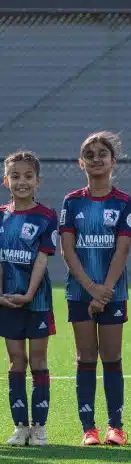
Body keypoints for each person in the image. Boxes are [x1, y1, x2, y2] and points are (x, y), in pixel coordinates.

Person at [58, 132, 131, 447]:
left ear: (113, 161)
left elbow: (123, 250)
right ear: (81, 163)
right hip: (80, 293)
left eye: (102, 153)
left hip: (113, 293)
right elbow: (67, 249)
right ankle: (88, 428)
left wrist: (105, 290)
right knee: (86, 356)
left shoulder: (123, 202)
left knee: (112, 357)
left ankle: (115, 427)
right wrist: (90, 288)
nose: (96, 159)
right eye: (89, 154)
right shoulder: (72, 201)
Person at [0, 152, 57, 447]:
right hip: (6, 301)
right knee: (16, 362)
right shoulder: (1, 215)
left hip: (37, 301)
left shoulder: (46, 216)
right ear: (5, 180)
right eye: (16, 176)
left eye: (28, 176)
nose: (22, 182)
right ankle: (20, 426)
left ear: (38, 181)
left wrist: (30, 294)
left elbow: (41, 261)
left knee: (38, 361)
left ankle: (39, 427)